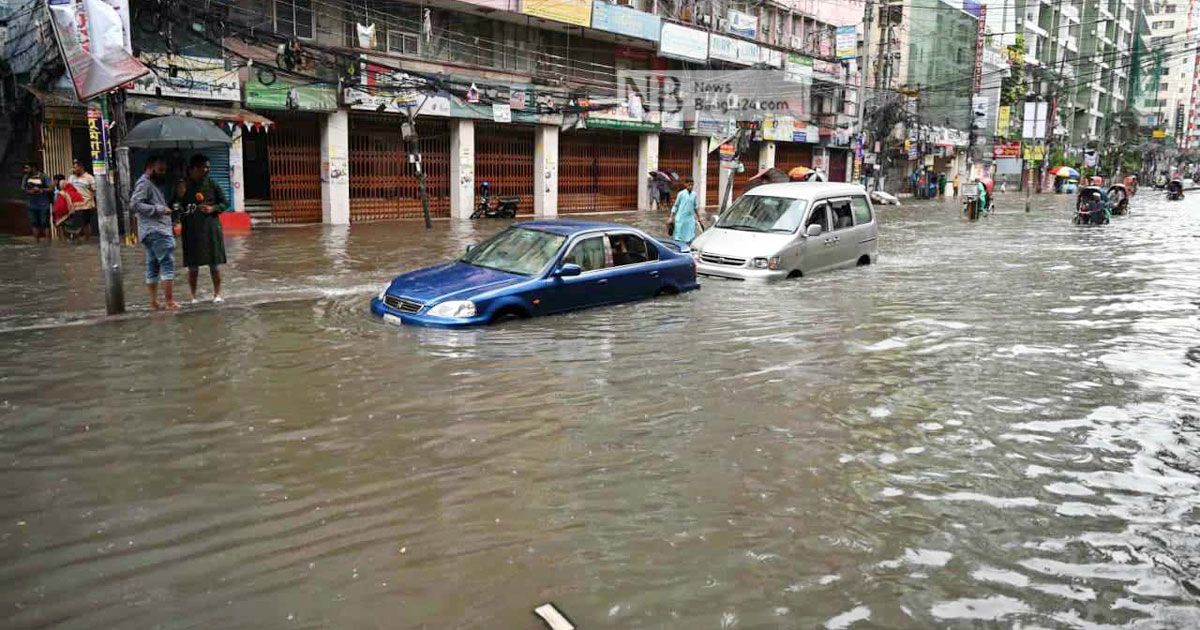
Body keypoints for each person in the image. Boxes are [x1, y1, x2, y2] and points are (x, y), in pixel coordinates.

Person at [174, 154, 229, 303]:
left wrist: (213, 209)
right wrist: (179, 198)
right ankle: (193, 296)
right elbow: (176, 207)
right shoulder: (183, 186)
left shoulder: (212, 184)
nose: (206, 170)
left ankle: (217, 294)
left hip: (211, 229)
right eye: (202, 167)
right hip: (191, 230)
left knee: (214, 264)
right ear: (192, 169)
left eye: (208, 167)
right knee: (192, 267)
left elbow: (225, 202)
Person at [131, 156, 179, 310]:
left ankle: (154, 303)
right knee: (167, 264)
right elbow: (135, 204)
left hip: (150, 231)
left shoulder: (152, 184)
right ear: (150, 168)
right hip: (157, 230)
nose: (163, 173)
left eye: (164, 170)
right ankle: (169, 302)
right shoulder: (144, 183)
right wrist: (159, 209)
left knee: (152, 265)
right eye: (160, 170)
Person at [21, 162, 52, 243]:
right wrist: (30, 191)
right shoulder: (26, 177)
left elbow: (51, 188)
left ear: (33, 168)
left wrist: (42, 190)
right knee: (34, 223)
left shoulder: (43, 176)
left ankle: (48, 243)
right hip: (31, 205)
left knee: (45, 223)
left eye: (27, 168)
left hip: (43, 205)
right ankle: (36, 243)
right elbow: (23, 189)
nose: (25, 170)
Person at [68, 159, 97, 241]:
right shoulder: (71, 178)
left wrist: (95, 204)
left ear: (81, 167)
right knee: (75, 224)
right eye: (73, 167)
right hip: (74, 205)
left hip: (86, 205)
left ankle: (86, 241)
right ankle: (77, 241)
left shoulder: (89, 178)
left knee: (85, 224)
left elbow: (94, 191)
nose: (74, 169)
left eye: (75, 167)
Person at [670, 178, 699, 244]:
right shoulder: (681, 194)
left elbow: (695, 206)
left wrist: (698, 217)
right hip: (681, 218)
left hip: (690, 219)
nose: (691, 186)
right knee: (679, 236)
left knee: (690, 236)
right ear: (685, 184)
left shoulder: (694, 194)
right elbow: (676, 205)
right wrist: (671, 217)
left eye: (692, 185)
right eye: (689, 185)